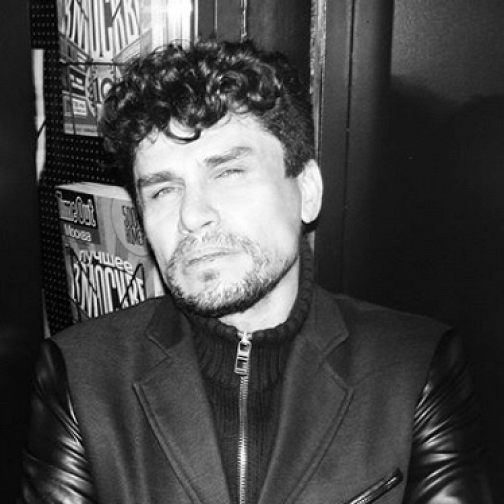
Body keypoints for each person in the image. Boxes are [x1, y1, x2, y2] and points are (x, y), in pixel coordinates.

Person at [18, 39, 492, 504]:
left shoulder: (413, 366)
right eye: (163, 190)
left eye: (228, 173)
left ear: (307, 191)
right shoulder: (81, 374)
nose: (192, 215)